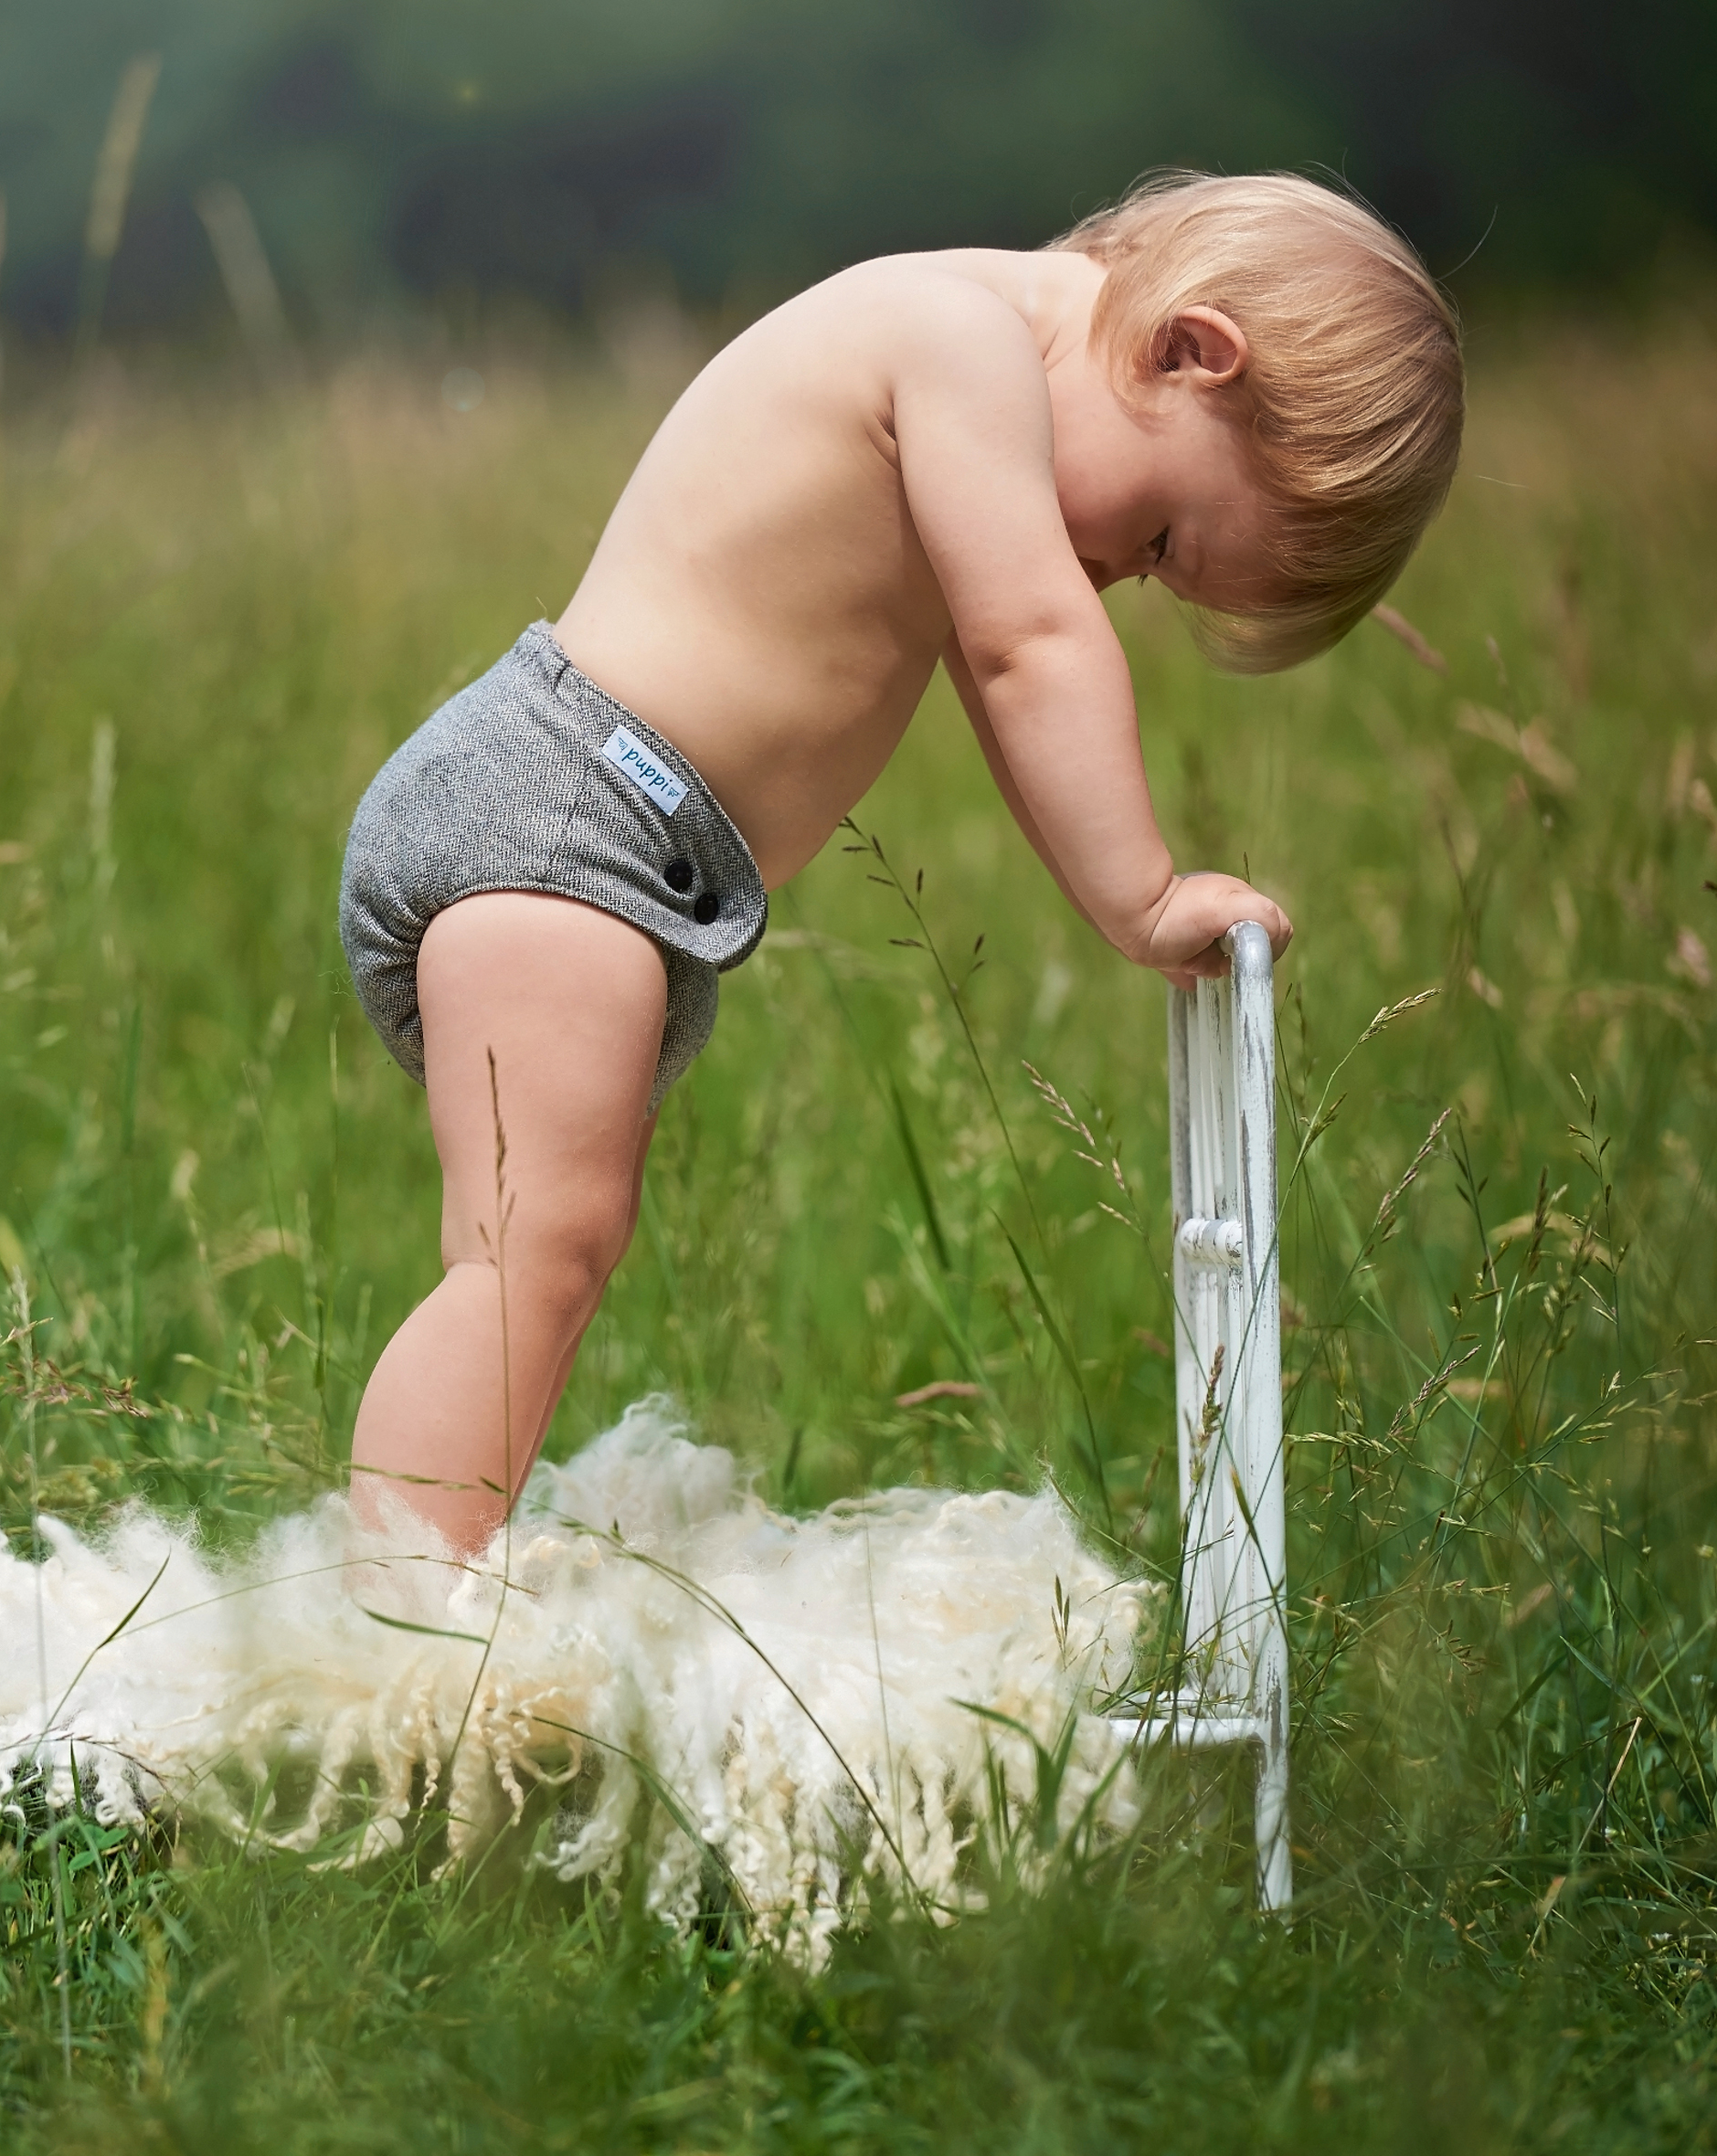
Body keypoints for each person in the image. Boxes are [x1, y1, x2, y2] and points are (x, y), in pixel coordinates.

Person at [338, 170, 1463, 1551]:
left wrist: (1114, 891)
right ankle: (396, 1609)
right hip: (565, 814)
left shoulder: (974, 371)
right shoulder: (954, 340)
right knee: (527, 1255)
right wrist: (1145, 896)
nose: (1125, 573)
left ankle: (454, 1556)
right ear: (1191, 351)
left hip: (627, 853)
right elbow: (1029, 643)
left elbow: (1007, 673)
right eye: (1166, 541)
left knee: (562, 1257)